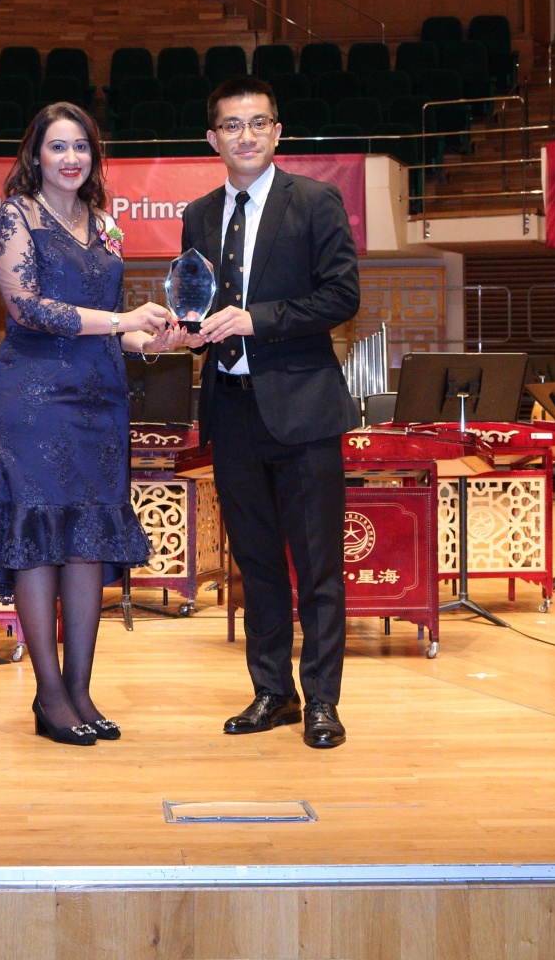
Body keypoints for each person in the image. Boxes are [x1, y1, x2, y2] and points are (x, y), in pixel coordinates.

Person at [0, 101, 178, 747]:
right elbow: (27, 308)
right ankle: (49, 696)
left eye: (81, 146)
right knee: (39, 532)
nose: (71, 158)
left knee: (88, 537)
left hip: (102, 396)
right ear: (36, 155)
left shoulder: (106, 224)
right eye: (58, 146)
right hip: (37, 395)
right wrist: (122, 321)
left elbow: (114, 324)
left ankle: (80, 691)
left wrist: (155, 341)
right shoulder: (17, 215)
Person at [176, 76, 361, 748]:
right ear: (213, 139)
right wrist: (186, 330)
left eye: (258, 123)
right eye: (232, 125)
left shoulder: (314, 200)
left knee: (318, 567)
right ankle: (272, 692)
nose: (246, 135)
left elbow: (341, 296)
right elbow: (198, 301)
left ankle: (322, 702)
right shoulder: (198, 215)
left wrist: (257, 319)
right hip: (230, 410)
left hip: (304, 412)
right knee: (254, 565)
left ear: (278, 132)